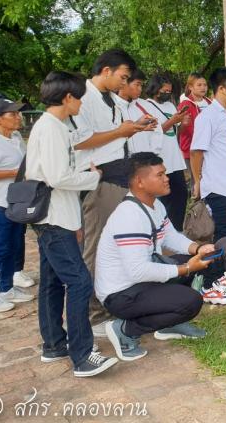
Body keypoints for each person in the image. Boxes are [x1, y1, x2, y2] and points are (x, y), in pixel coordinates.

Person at [26, 72, 118, 377]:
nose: (81, 103)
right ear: (67, 98)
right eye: (78, 98)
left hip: (56, 216)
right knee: (79, 282)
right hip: (54, 219)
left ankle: (54, 343)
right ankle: (82, 355)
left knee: (53, 281)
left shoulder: (56, 127)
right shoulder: (51, 128)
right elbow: (58, 177)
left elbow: (59, 169)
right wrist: (95, 177)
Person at [96, 153, 226, 361]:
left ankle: (169, 324)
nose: (167, 178)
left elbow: (170, 237)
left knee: (200, 260)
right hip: (120, 293)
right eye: (160, 174)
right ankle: (126, 329)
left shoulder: (154, 204)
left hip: (139, 281)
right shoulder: (130, 216)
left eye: (165, 173)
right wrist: (186, 268)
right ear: (140, 182)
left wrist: (197, 249)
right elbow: (137, 271)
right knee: (190, 301)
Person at [73, 49, 157, 335]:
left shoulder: (111, 100)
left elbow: (114, 135)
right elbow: (81, 141)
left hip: (120, 176)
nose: (125, 83)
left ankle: (118, 303)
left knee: (120, 246)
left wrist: (132, 129)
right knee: (95, 248)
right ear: (105, 70)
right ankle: (95, 314)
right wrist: (121, 132)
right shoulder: (83, 98)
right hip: (100, 180)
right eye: (122, 77)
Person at [190, 66, 226, 303]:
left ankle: (221, 277)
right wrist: (197, 181)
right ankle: (208, 284)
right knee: (223, 236)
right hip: (217, 186)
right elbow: (196, 152)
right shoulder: (207, 117)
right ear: (221, 89)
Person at [0, 98, 30, 313]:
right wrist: (14, 173)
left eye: (18, 113)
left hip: (14, 200)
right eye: (13, 114)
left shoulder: (14, 137)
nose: (18, 117)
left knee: (12, 245)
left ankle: (6, 287)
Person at [136, 73, 190, 230]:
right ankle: (160, 231)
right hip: (160, 160)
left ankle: (176, 229)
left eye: (169, 91)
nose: (167, 94)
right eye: (164, 91)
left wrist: (183, 123)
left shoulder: (170, 106)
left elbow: (175, 133)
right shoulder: (145, 106)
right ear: (154, 89)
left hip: (175, 159)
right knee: (162, 198)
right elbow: (155, 132)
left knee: (180, 194)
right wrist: (173, 120)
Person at [115, 69, 160, 155]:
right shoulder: (111, 106)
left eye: (141, 85)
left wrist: (152, 155)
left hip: (146, 162)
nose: (140, 89)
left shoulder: (146, 106)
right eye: (137, 84)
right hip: (120, 163)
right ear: (123, 83)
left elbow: (157, 130)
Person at [178, 73, 212, 171]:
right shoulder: (185, 104)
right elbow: (187, 129)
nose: (203, 88)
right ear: (190, 87)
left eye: (205, 85)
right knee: (197, 182)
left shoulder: (209, 103)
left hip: (210, 149)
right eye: (199, 85)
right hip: (192, 150)